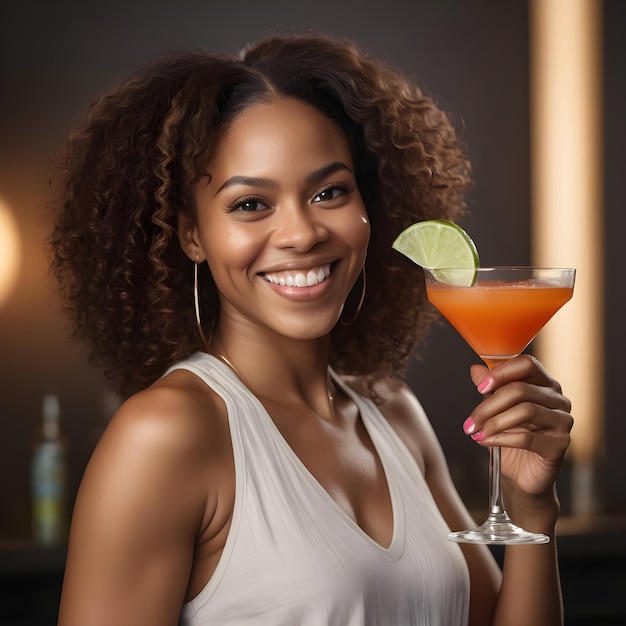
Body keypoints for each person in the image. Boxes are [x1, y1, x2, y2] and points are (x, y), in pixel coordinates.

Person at [49, 32, 573, 626]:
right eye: (251, 204)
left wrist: (532, 510)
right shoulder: (166, 435)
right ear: (191, 234)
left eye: (329, 192)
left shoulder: (394, 414)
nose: (301, 234)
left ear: (369, 207)